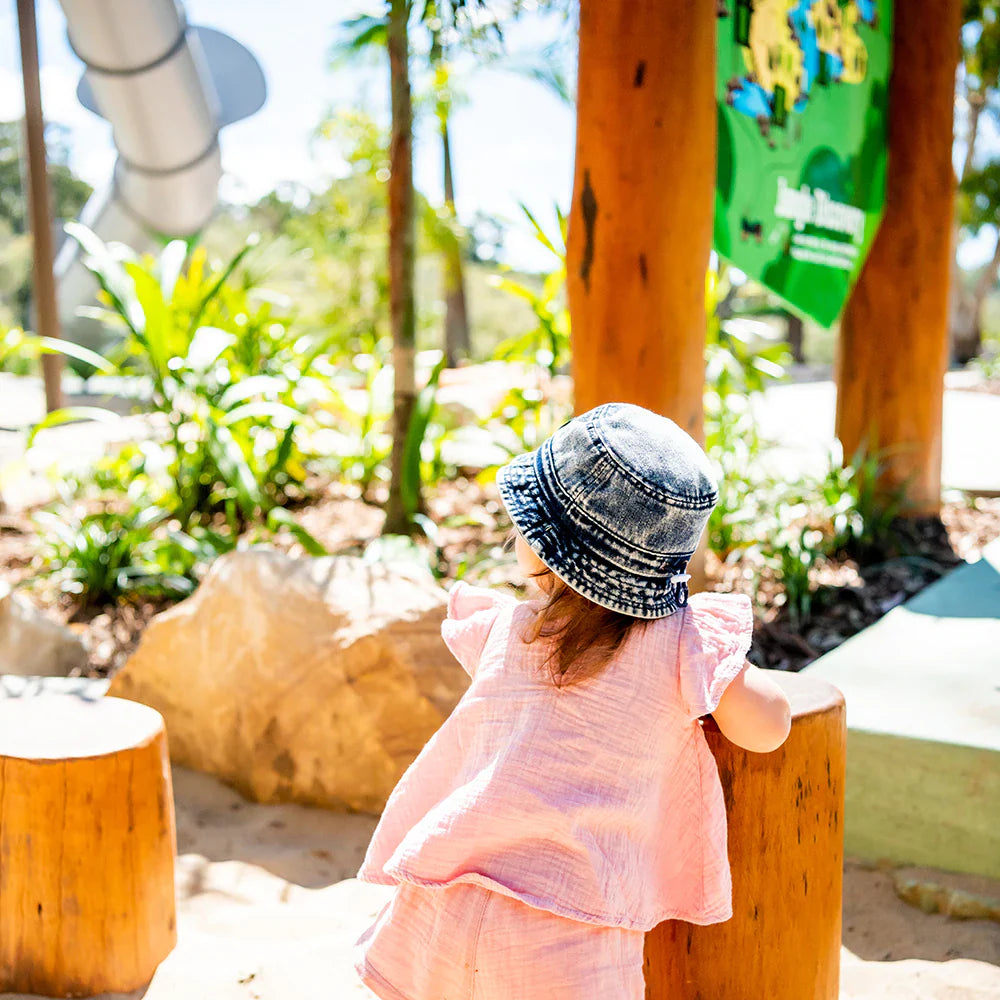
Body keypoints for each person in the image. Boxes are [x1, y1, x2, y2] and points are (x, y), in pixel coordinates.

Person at [353, 401, 792, 1000]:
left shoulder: (506, 629)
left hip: (443, 901)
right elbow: (770, 725)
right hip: (565, 932)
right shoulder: (682, 646)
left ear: (543, 552)